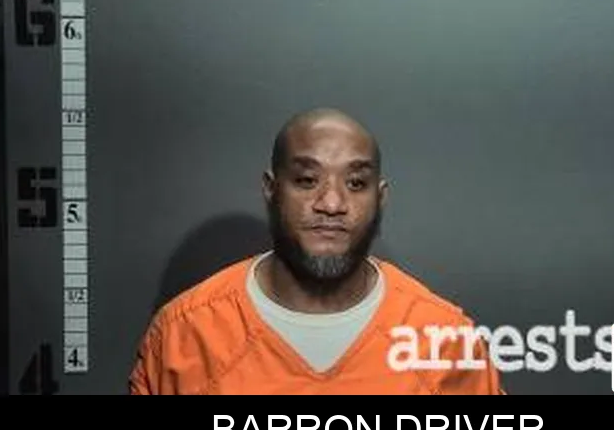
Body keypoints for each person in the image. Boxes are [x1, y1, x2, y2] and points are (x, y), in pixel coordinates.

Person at [129, 108, 504, 395]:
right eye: (307, 180)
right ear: (272, 189)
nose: (331, 203)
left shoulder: (444, 338)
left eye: (356, 183)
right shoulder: (184, 334)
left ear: (380, 197)